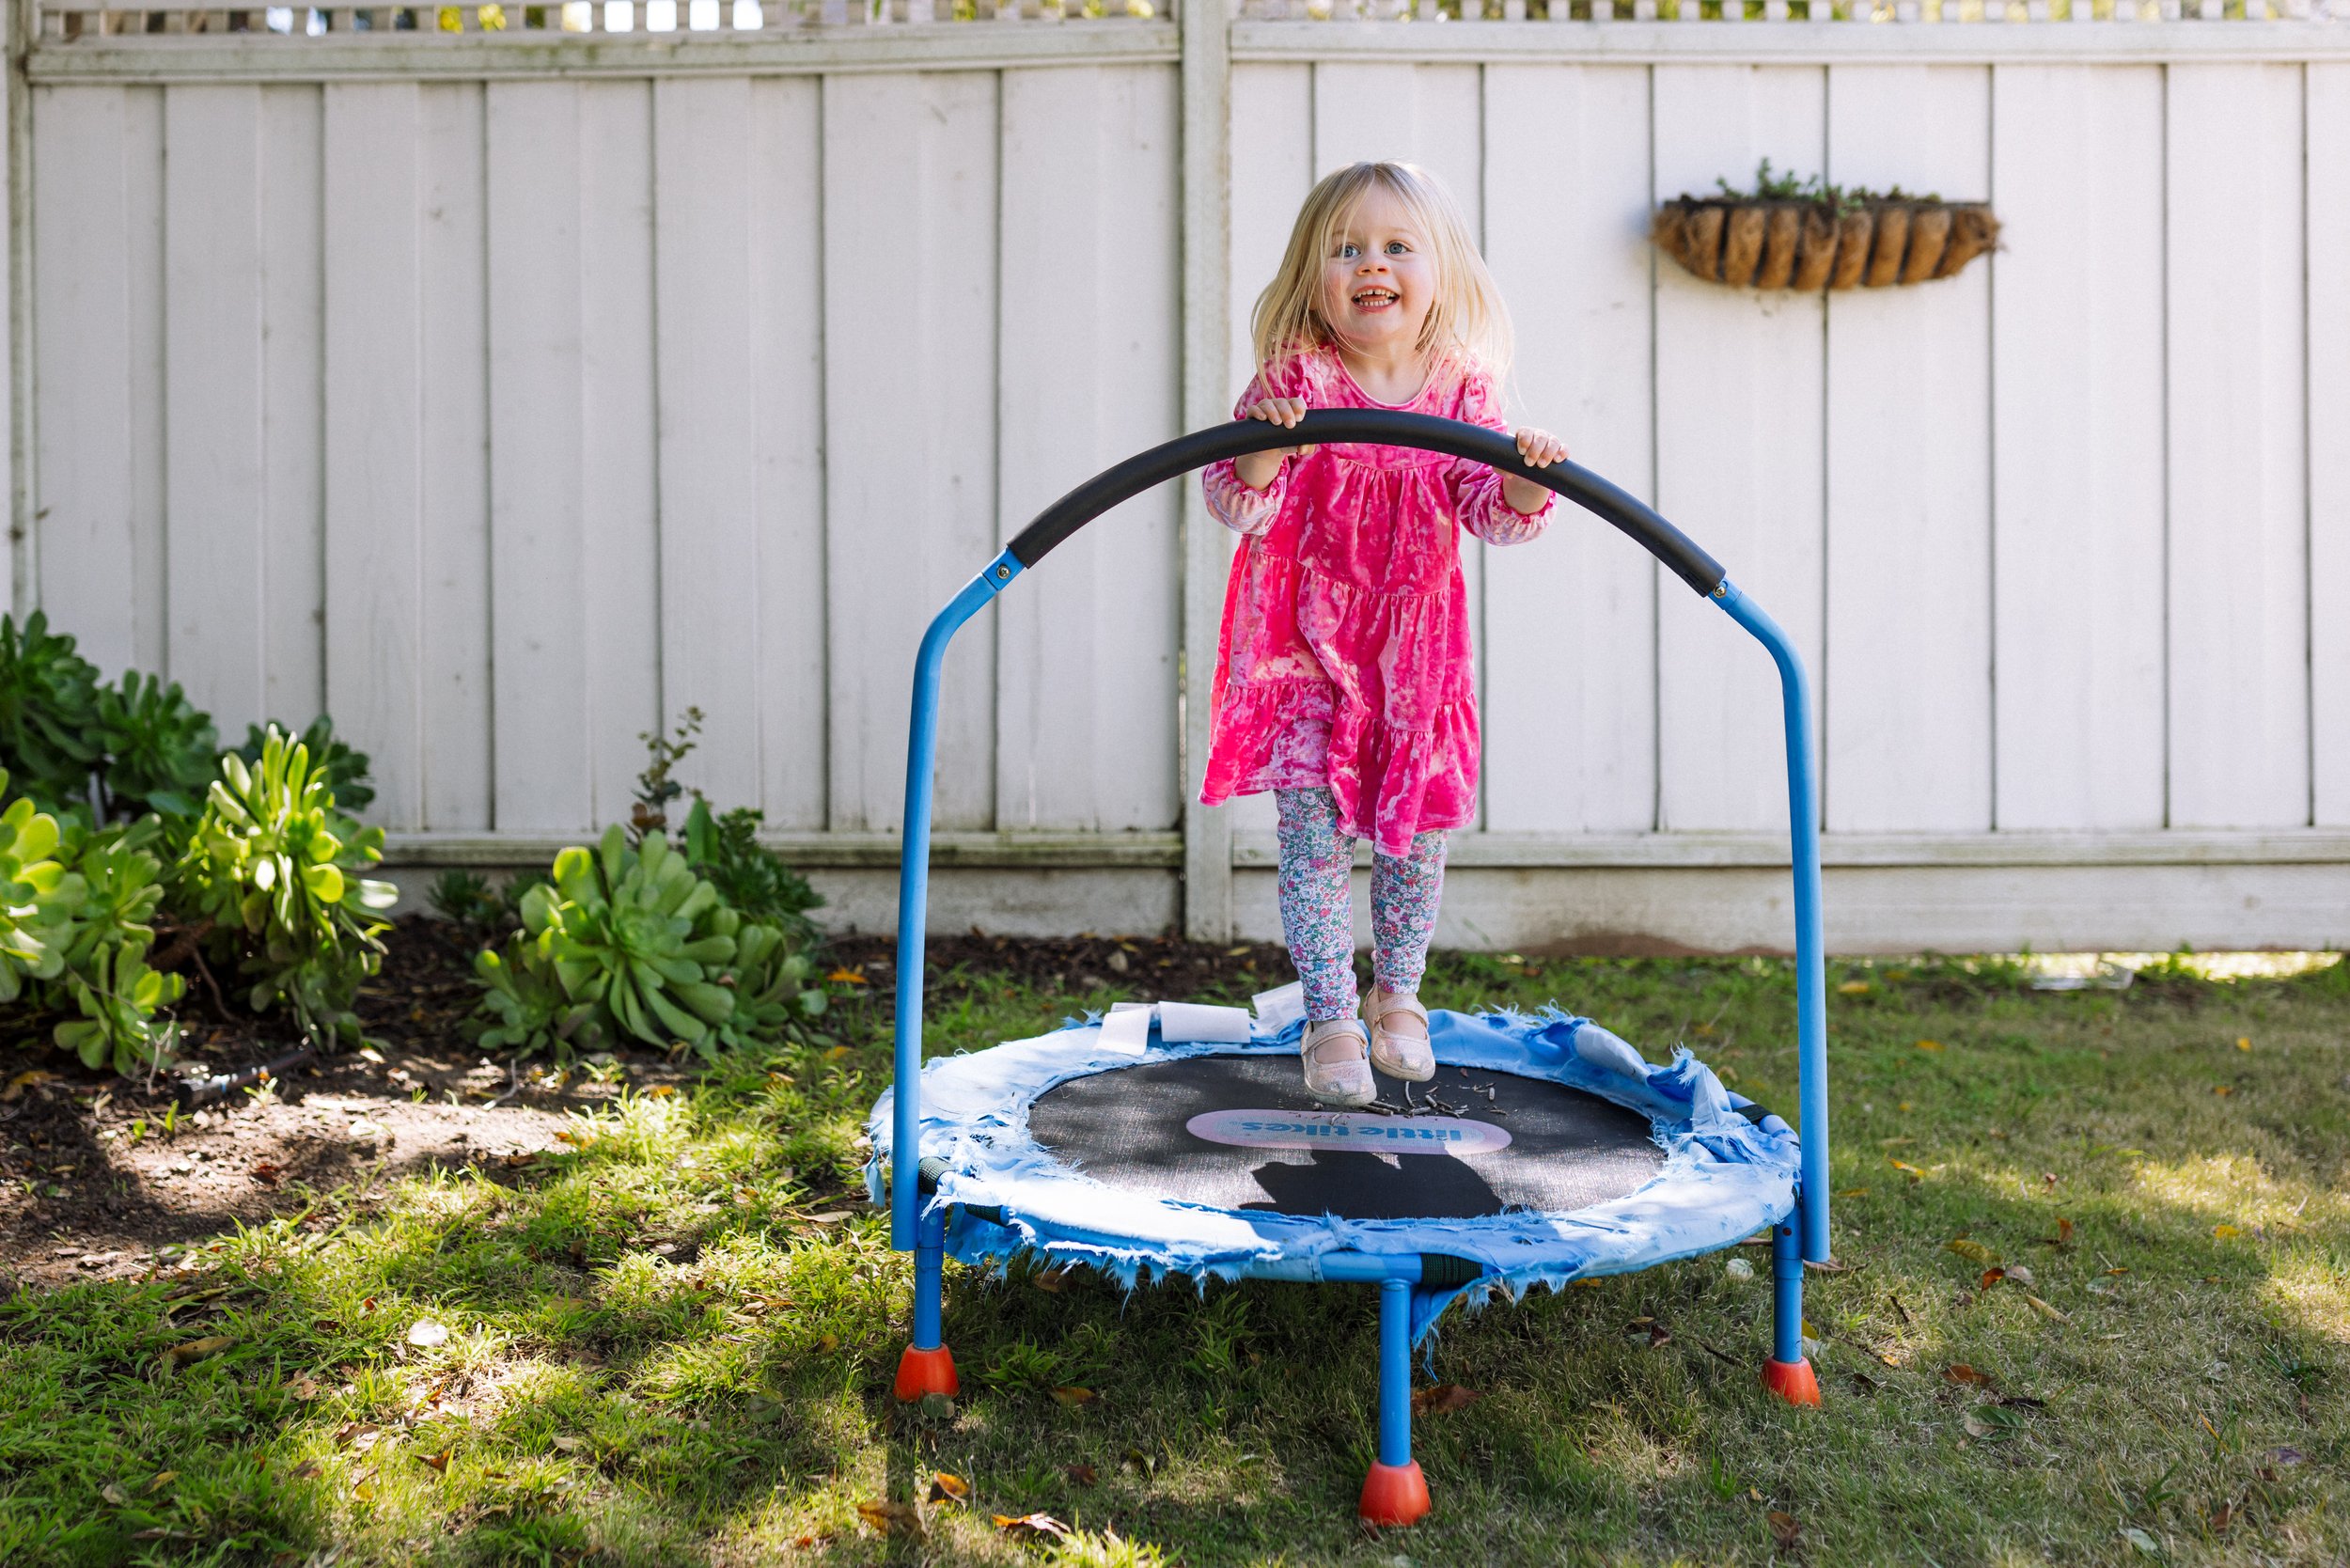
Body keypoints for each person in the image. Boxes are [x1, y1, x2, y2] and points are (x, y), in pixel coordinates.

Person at [1200, 161, 1565, 1107]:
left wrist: (1529, 476)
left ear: (1436, 270)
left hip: (1412, 658)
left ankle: (1397, 994)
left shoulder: (1459, 389)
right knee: (1311, 836)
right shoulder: (1297, 379)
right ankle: (1328, 1014)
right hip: (1306, 650)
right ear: (1311, 274)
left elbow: (1493, 513)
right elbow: (1233, 501)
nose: (1373, 263)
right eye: (1346, 247)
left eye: (1397, 247)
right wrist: (1267, 435)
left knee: (1413, 834)